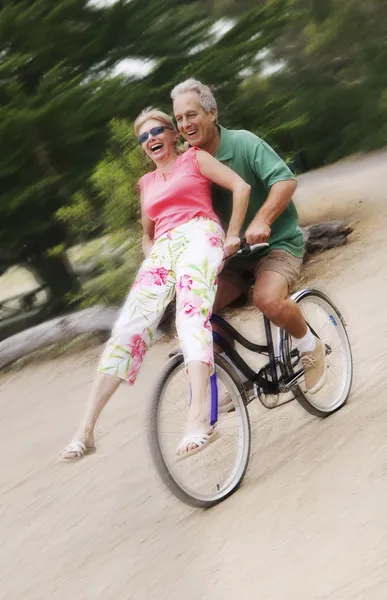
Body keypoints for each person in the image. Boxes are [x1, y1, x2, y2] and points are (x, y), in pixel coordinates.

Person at [61, 108, 251, 461]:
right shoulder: (146, 184)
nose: (150, 140)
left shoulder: (195, 159)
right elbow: (147, 235)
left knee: (189, 317)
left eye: (157, 132)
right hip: (164, 249)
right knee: (128, 328)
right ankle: (86, 430)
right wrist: (153, 258)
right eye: (143, 137)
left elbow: (241, 186)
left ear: (172, 134)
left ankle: (199, 419)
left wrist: (234, 235)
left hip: (200, 233)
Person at [171, 79, 326, 393]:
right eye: (179, 119)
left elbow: (284, 181)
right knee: (197, 307)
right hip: (231, 257)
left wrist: (262, 220)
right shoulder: (187, 164)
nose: (185, 124)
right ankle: (235, 378)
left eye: (192, 115)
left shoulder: (243, 143)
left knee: (266, 298)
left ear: (212, 113)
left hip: (276, 243)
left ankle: (310, 345)